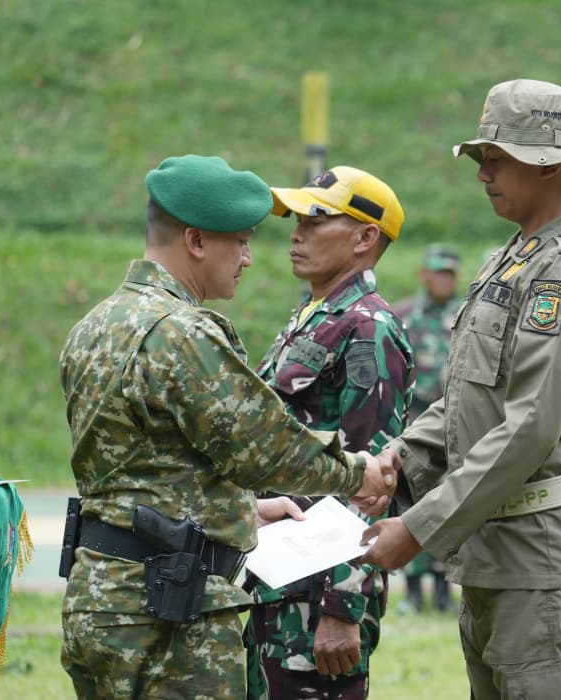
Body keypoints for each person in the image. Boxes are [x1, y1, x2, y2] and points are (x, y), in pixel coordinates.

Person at [58, 154, 393, 699]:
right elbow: (264, 449)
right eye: (239, 241)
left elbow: (142, 465)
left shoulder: (95, 324)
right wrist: (359, 472)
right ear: (195, 241)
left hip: (98, 595)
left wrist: (239, 509)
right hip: (166, 614)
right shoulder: (181, 333)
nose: (248, 259)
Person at [360, 78, 561, 698]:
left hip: (540, 556)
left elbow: (529, 425)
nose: (483, 174)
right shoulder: (513, 257)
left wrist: (419, 527)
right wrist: (403, 454)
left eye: (495, 159)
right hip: (497, 549)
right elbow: (472, 392)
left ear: (548, 165)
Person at [243, 166, 415, 699]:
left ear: (365, 237)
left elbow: (371, 480)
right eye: (296, 220)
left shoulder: (368, 328)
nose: (297, 234)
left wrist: (342, 608)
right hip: (276, 580)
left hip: (318, 600)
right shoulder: (315, 314)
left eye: (317, 221)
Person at [392, 243, 462, 614]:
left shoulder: (465, 315)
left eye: (449, 273)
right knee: (413, 501)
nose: (443, 279)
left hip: (454, 422)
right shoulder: (403, 315)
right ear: (424, 274)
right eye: (437, 272)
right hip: (415, 421)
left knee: (448, 502)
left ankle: (442, 588)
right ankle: (415, 589)